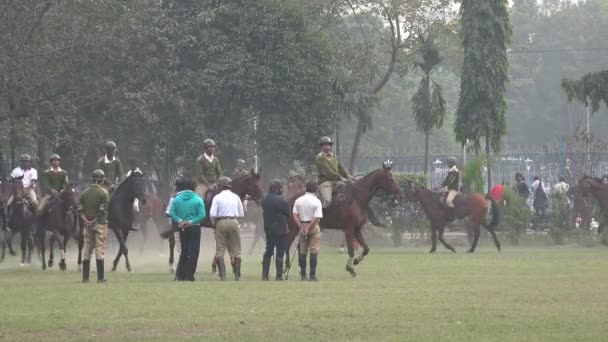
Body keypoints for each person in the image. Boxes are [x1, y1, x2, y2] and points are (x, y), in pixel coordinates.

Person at [169, 178, 206, 281]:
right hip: (194, 228)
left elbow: (172, 213)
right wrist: (191, 222)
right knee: (194, 251)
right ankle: (190, 275)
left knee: (184, 251)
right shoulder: (198, 199)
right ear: (194, 188)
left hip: (182, 228)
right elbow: (202, 215)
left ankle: (180, 275)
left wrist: (180, 221)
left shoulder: (177, 199)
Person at [210, 176, 244, 281]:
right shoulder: (236, 197)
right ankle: (237, 276)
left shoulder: (217, 197)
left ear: (220, 186)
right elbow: (241, 213)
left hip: (221, 222)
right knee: (237, 250)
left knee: (220, 249)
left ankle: (223, 276)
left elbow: (212, 214)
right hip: (234, 221)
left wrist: (214, 225)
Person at [79, 169, 110, 283]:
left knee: (87, 248)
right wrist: (93, 221)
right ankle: (100, 277)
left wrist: (86, 220)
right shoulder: (104, 193)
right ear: (102, 180)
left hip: (87, 224)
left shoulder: (84, 192)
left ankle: (85, 278)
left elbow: (80, 210)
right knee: (99, 248)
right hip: (100, 224)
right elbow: (102, 210)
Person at [292, 181, 323, 281]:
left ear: (306, 188)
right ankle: (312, 276)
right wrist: (308, 227)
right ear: (315, 190)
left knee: (302, 252)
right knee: (314, 251)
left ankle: (303, 275)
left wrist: (301, 227)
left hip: (302, 225)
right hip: (313, 227)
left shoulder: (298, 200)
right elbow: (316, 217)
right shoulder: (317, 201)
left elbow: (295, 215)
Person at [261, 179, 290, 281]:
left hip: (269, 230)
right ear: (277, 189)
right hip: (281, 231)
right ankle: (278, 276)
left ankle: (265, 275)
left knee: (268, 252)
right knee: (280, 253)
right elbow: (288, 213)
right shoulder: (282, 200)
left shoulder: (265, 199)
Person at [315, 136, 353, 208]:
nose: (327, 147)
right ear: (321, 146)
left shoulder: (334, 156)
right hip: (325, 182)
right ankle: (321, 217)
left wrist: (348, 176)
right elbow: (327, 171)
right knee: (328, 202)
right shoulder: (319, 158)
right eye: (325, 145)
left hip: (337, 181)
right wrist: (341, 178)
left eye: (328, 145)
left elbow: (341, 168)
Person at [195, 139, 222, 203]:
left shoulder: (215, 159)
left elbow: (219, 172)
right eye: (210, 147)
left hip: (214, 183)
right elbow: (200, 174)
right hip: (203, 184)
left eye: (213, 147)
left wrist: (216, 182)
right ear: (205, 148)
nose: (212, 149)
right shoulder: (200, 160)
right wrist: (208, 185)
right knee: (199, 199)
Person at [439, 156, 459, 221]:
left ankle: (454, 216)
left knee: (448, 201)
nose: (448, 165)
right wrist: (441, 185)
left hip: (454, 190)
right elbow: (447, 179)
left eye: (449, 163)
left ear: (452, 163)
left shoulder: (455, 171)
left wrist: (443, 185)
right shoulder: (451, 171)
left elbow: (451, 180)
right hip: (449, 189)